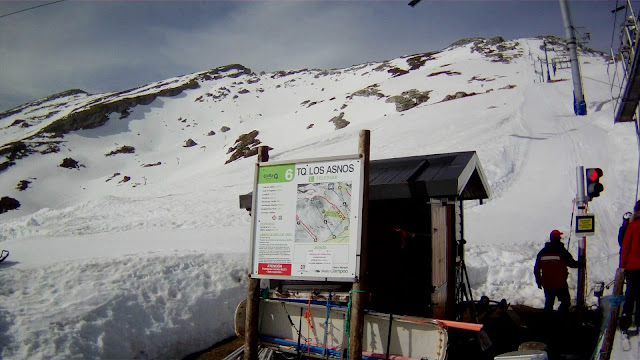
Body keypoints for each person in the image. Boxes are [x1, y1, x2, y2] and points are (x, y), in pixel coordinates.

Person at [534, 230, 582, 313]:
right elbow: (571, 263)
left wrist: (539, 281)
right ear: (559, 238)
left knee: (549, 304)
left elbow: (536, 269)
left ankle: (547, 323)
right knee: (566, 302)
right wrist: (581, 264)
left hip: (547, 284)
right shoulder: (561, 251)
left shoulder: (542, 252)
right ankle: (559, 319)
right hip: (560, 284)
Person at [620, 200, 640, 332]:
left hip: (633, 266)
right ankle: (639, 321)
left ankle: (625, 322)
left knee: (630, 295)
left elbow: (625, 247)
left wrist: (623, 266)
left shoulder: (632, 226)